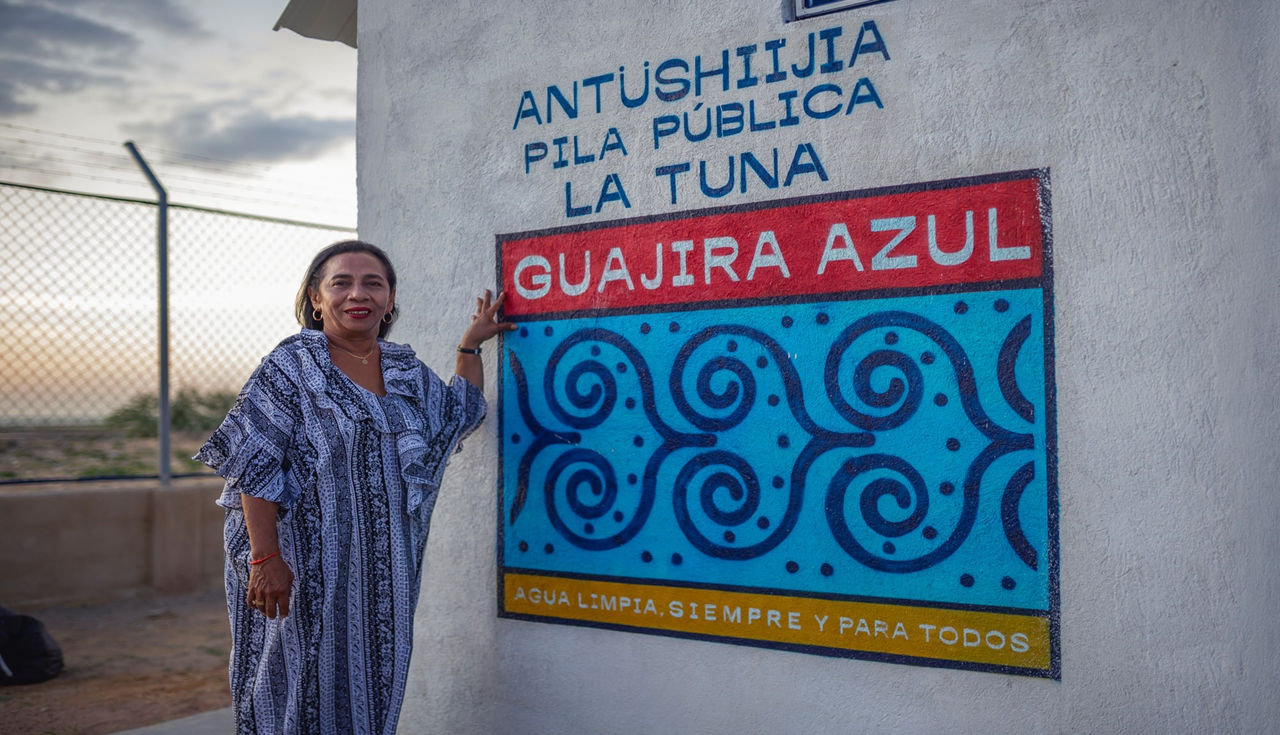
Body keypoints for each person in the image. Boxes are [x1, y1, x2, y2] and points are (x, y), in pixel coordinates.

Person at [195, 240, 514, 734]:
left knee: (369, 687)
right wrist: (264, 560)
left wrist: (469, 345)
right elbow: (253, 461)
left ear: (389, 300)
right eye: (340, 283)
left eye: (373, 283)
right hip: (296, 569)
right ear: (316, 298)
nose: (357, 294)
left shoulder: (404, 368)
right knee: (291, 686)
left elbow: (459, 413)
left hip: (379, 578)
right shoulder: (293, 366)